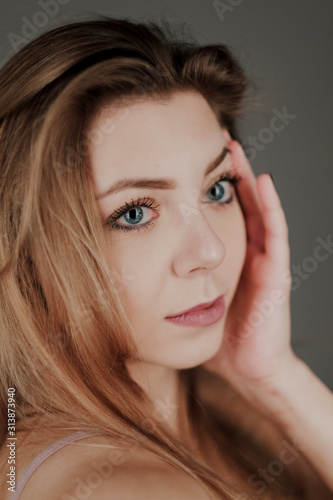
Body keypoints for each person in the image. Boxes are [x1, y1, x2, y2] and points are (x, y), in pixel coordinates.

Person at [0, 15, 332, 500]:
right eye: (134, 213)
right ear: (25, 248)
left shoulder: (229, 412)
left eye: (217, 188)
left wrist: (276, 376)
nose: (210, 251)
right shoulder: (132, 489)